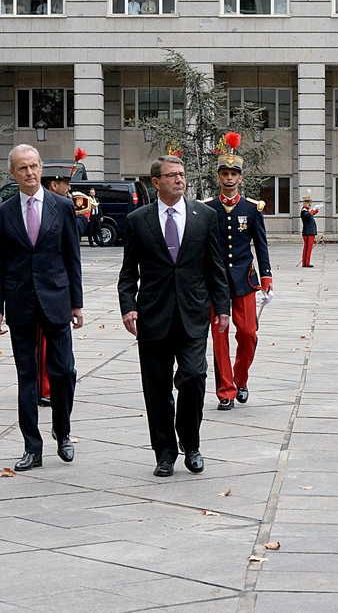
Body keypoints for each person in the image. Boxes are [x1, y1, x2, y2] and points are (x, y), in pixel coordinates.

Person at [118, 155, 230, 477]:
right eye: (171, 176)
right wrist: (128, 307)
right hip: (153, 317)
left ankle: (191, 445)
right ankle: (164, 453)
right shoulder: (139, 220)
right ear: (156, 182)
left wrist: (222, 307)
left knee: (194, 377)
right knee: (157, 389)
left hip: (193, 314)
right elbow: (128, 274)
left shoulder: (204, 216)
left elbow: (215, 266)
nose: (179, 180)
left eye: (181, 175)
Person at [0, 144, 83, 472]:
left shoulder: (62, 206)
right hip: (20, 303)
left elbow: (73, 256)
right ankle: (32, 446)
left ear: (41, 168)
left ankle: (63, 430)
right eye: (22, 168)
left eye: (34, 166)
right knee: (27, 376)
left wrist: (77, 303)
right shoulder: (4, 213)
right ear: (13, 174)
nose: (30, 173)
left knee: (64, 372)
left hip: (56, 299)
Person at [207, 132, 272, 411]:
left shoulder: (252, 208)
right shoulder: (208, 209)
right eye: (225, 173)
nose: (229, 178)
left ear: (240, 178)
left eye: (234, 174)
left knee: (248, 334)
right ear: (219, 177)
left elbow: (261, 244)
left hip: (245, 280)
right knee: (219, 337)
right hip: (216, 283)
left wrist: (266, 277)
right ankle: (225, 390)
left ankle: (241, 377)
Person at [300, 195, 319, 266]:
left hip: (310, 232)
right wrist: (313, 210)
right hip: (308, 232)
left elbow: (310, 214)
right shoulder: (304, 211)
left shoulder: (307, 211)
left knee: (308, 248)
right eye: (308, 203)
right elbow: (307, 215)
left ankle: (305, 262)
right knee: (308, 248)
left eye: (310, 203)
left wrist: (316, 210)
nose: (310, 204)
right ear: (304, 204)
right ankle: (306, 263)